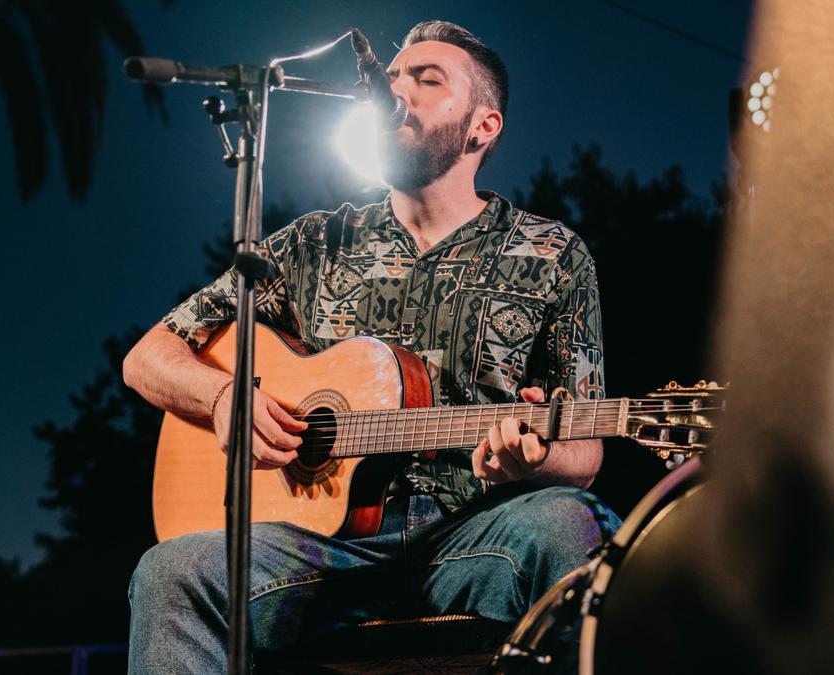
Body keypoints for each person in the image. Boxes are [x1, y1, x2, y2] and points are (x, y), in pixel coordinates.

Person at [124, 20, 620, 673]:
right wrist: (221, 396)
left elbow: (585, 449)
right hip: (319, 546)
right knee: (172, 570)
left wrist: (537, 456)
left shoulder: (553, 255)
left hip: (480, 534)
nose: (397, 92)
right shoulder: (311, 244)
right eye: (391, 79)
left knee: (574, 526)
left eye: (427, 79)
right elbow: (147, 357)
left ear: (482, 127)